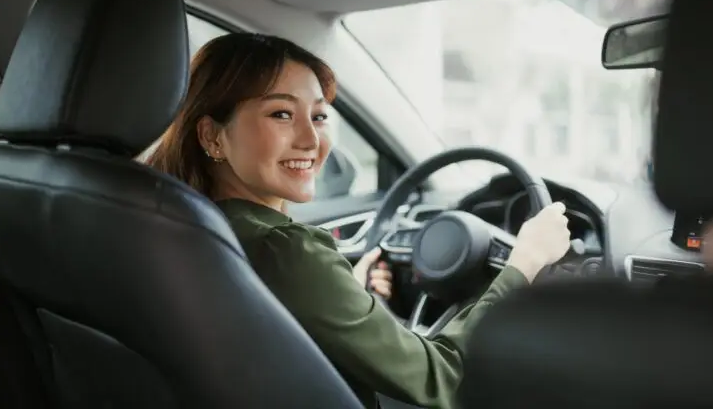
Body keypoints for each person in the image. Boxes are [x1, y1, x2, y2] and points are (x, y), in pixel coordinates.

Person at [148, 32, 571, 409]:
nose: (311, 141)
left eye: (318, 116)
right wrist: (524, 264)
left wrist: (348, 296)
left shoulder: (174, 224)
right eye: (281, 114)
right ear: (211, 136)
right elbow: (447, 380)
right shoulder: (286, 251)